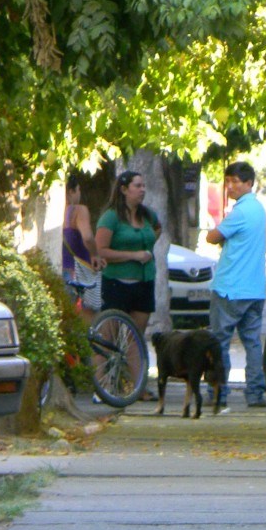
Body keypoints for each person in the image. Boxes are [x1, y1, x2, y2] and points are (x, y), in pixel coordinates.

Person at [206, 161, 266, 409]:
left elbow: (212, 237)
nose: (229, 186)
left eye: (235, 181)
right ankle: (255, 393)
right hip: (255, 288)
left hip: (230, 287)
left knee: (219, 341)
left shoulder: (240, 212)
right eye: (227, 181)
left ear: (249, 183)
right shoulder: (258, 210)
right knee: (252, 342)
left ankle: (219, 392)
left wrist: (219, 226)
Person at [96, 171, 162, 401]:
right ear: (124, 189)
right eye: (137, 185)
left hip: (143, 282)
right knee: (108, 335)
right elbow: (101, 250)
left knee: (135, 335)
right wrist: (132, 254)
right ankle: (101, 384)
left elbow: (157, 228)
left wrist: (147, 247)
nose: (142, 189)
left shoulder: (147, 215)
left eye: (144, 185)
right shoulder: (111, 217)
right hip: (117, 282)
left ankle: (138, 386)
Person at [62, 171, 104, 321]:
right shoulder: (78, 211)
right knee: (86, 322)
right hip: (78, 274)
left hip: (60, 273)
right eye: (78, 190)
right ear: (72, 191)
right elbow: (87, 237)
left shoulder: (58, 213)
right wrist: (95, 255)